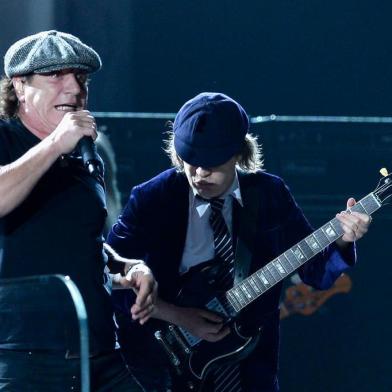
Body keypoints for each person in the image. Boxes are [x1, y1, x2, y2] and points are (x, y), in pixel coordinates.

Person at [107, 92, 372, 392]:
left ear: (237, 153)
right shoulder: (152, 198)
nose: (199, 173)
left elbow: (316, 273)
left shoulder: (270, 193)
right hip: (160, 367)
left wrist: (342, 240)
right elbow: (109, 277)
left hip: (250, 370)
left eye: (212, 162)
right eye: (191, 160)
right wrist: (180, 316)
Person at [0, 30, 157, 391]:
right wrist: (55, 143)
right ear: (20, 86)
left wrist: (127, 267)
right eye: (56, 76)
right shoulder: (6, 139)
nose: (74, 89)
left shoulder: (85, 154)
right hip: (26, 355)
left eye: (80, 78)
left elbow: (81, 241)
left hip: (98, 349)